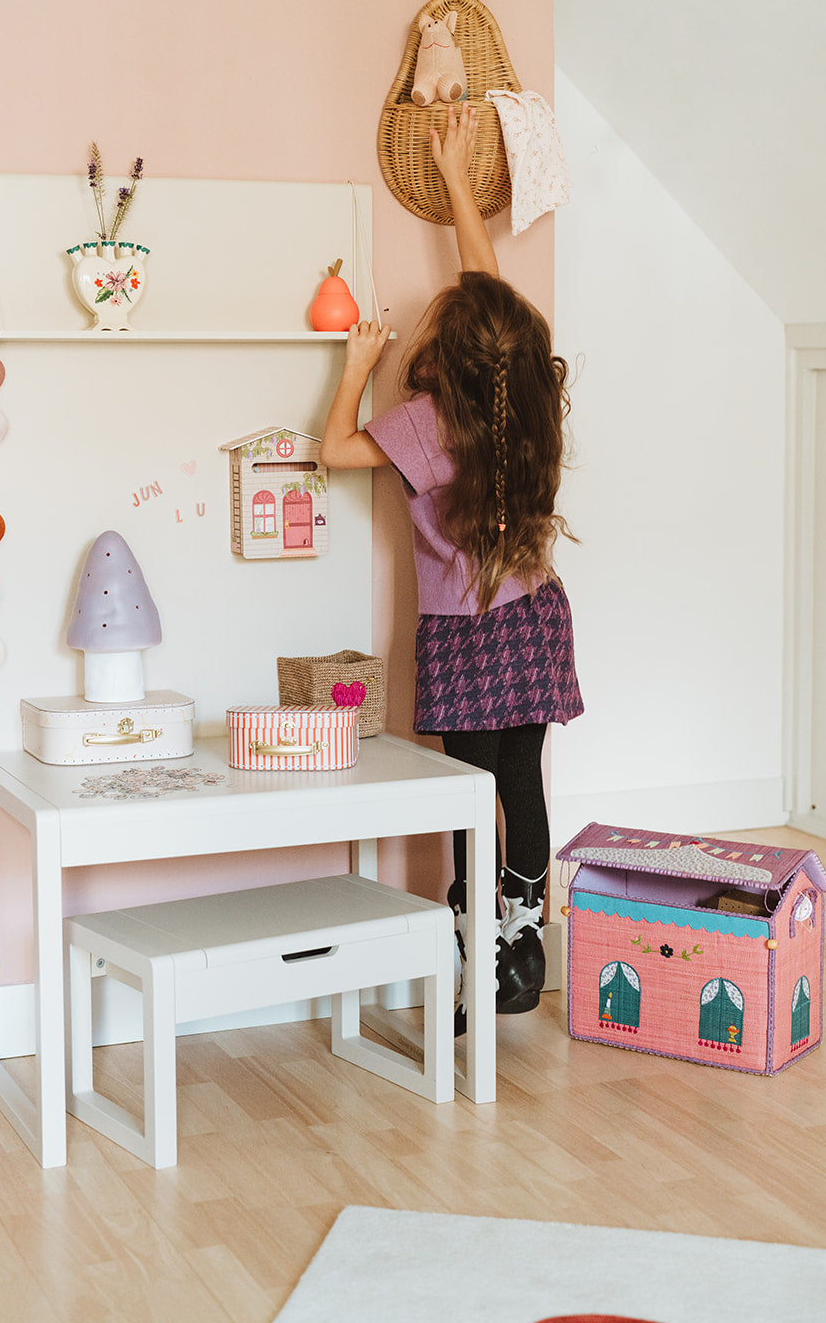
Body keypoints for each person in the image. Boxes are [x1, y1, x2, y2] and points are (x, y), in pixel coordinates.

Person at [320, 103, 583, 1026]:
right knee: (521, 782)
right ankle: (521, 933)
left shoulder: (424, 424)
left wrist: (357, 363)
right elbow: (492, 299)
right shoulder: (528, 392)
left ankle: (480, 951)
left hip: (464, 634)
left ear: (449, 350)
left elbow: (334, 453)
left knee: (470, 794)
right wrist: (460, 184)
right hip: (534, 617)